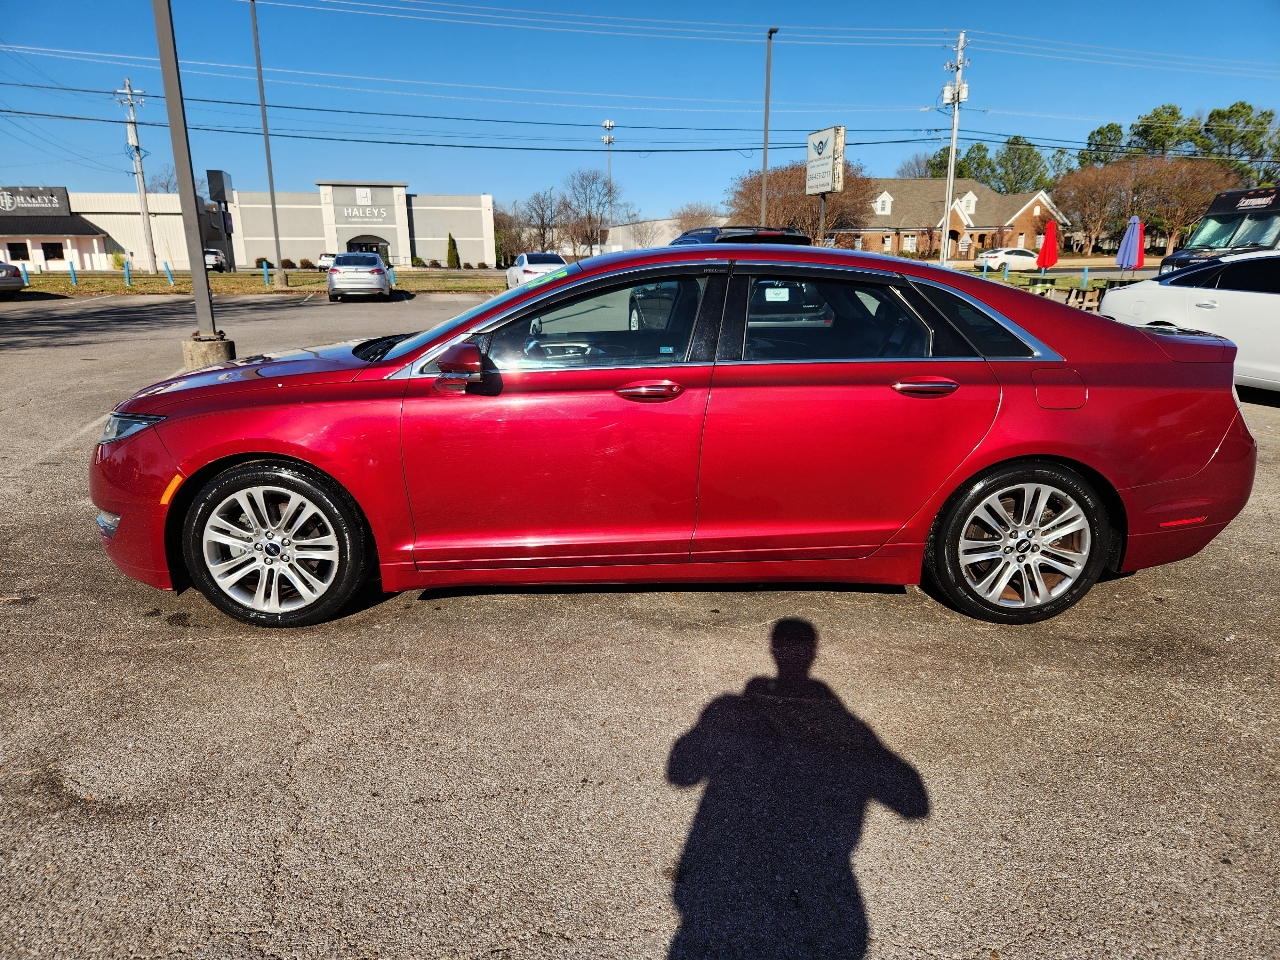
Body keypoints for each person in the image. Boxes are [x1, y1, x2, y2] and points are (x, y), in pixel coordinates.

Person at [667, 618, 929, 959]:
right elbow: (913, 801)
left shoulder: (737, 709)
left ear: (773, 650)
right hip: (814, 878)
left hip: (733, 876)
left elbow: (682, 772)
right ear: (812, 654)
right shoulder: (842, 723)